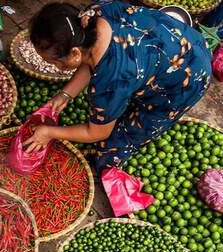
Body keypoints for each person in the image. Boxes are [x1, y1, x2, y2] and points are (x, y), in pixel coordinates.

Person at [24, 1, 212, 175]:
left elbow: (97, 132)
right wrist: (66, 94)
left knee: (118, 141)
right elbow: (89, 57)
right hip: (181, 41)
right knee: (121, 98)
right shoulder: (93, 15)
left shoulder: (111, 81)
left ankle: (110, 163)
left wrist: (49, 133)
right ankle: (130, 97)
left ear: (74, 53)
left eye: (52, 61)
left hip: (188, 76)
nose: (53, 66)